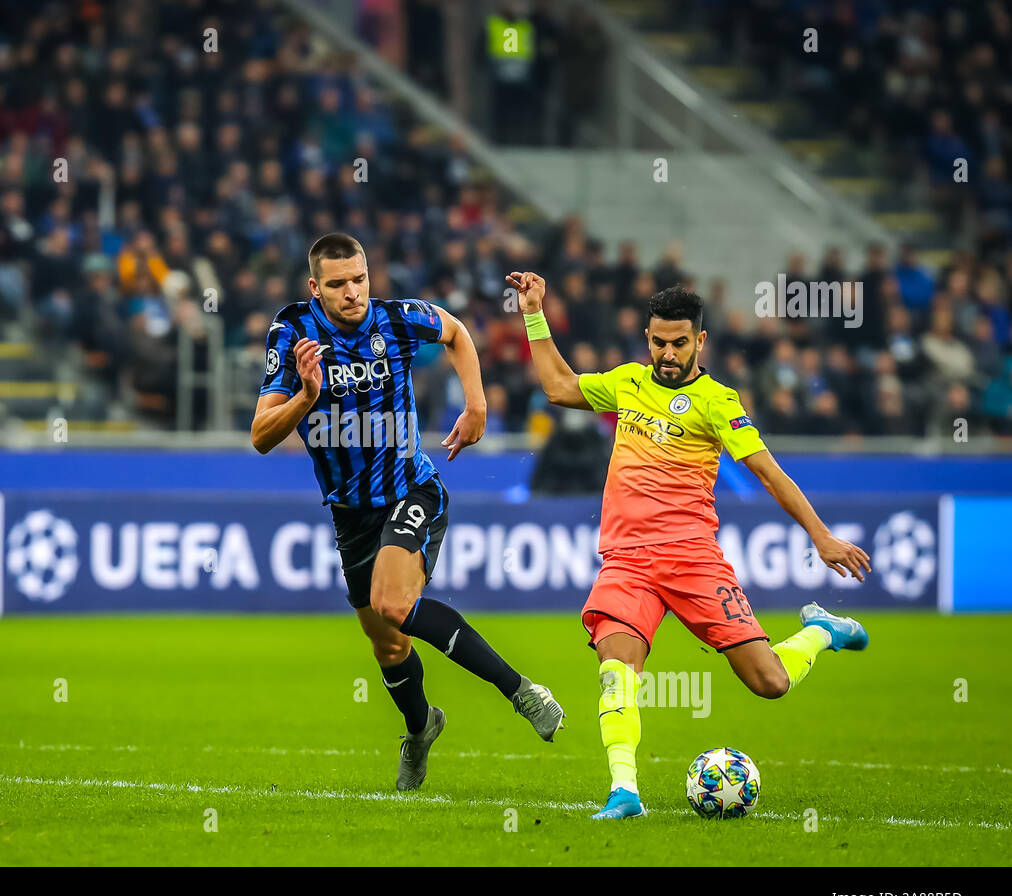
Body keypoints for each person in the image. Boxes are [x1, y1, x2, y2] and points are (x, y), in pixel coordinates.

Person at [507, 274, 873, 820]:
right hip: (628, 562)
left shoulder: (718, 402)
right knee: (615, 667)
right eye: (659, 342)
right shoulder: (627, 383)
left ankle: (823, 629)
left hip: (693, 560)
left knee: (769, 682)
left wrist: (820, 535)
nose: (668, 353)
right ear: (647, 339)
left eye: (680, 343)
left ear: (700, 342)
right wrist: (535, 314)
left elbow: (769, 474)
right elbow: (559, 388)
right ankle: (624, 793)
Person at [251, 234, 566, 791]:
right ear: (313, 288)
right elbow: (260, 436)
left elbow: (456, 332)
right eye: (337, 284)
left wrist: (476, 404)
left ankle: (521, 691)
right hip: (350, 515)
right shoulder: (293, 331)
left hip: (411, 490)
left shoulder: (396, 321)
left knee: (393, 604)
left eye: (360, 279)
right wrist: (304, 397)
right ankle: (421, 729)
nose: (352, 293)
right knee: (388, 643)